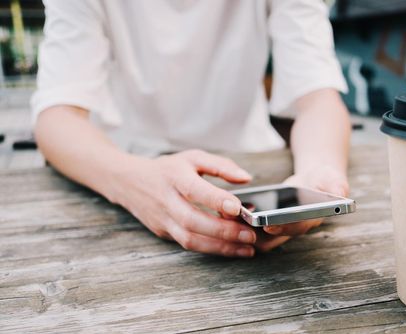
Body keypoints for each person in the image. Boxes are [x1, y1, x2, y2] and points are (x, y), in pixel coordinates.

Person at [32, 0, 351, 258]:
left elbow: (319, 98)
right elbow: (56, 117)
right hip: (124, 167)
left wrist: (319, 171)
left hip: (249, 168)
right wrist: (132, 182)